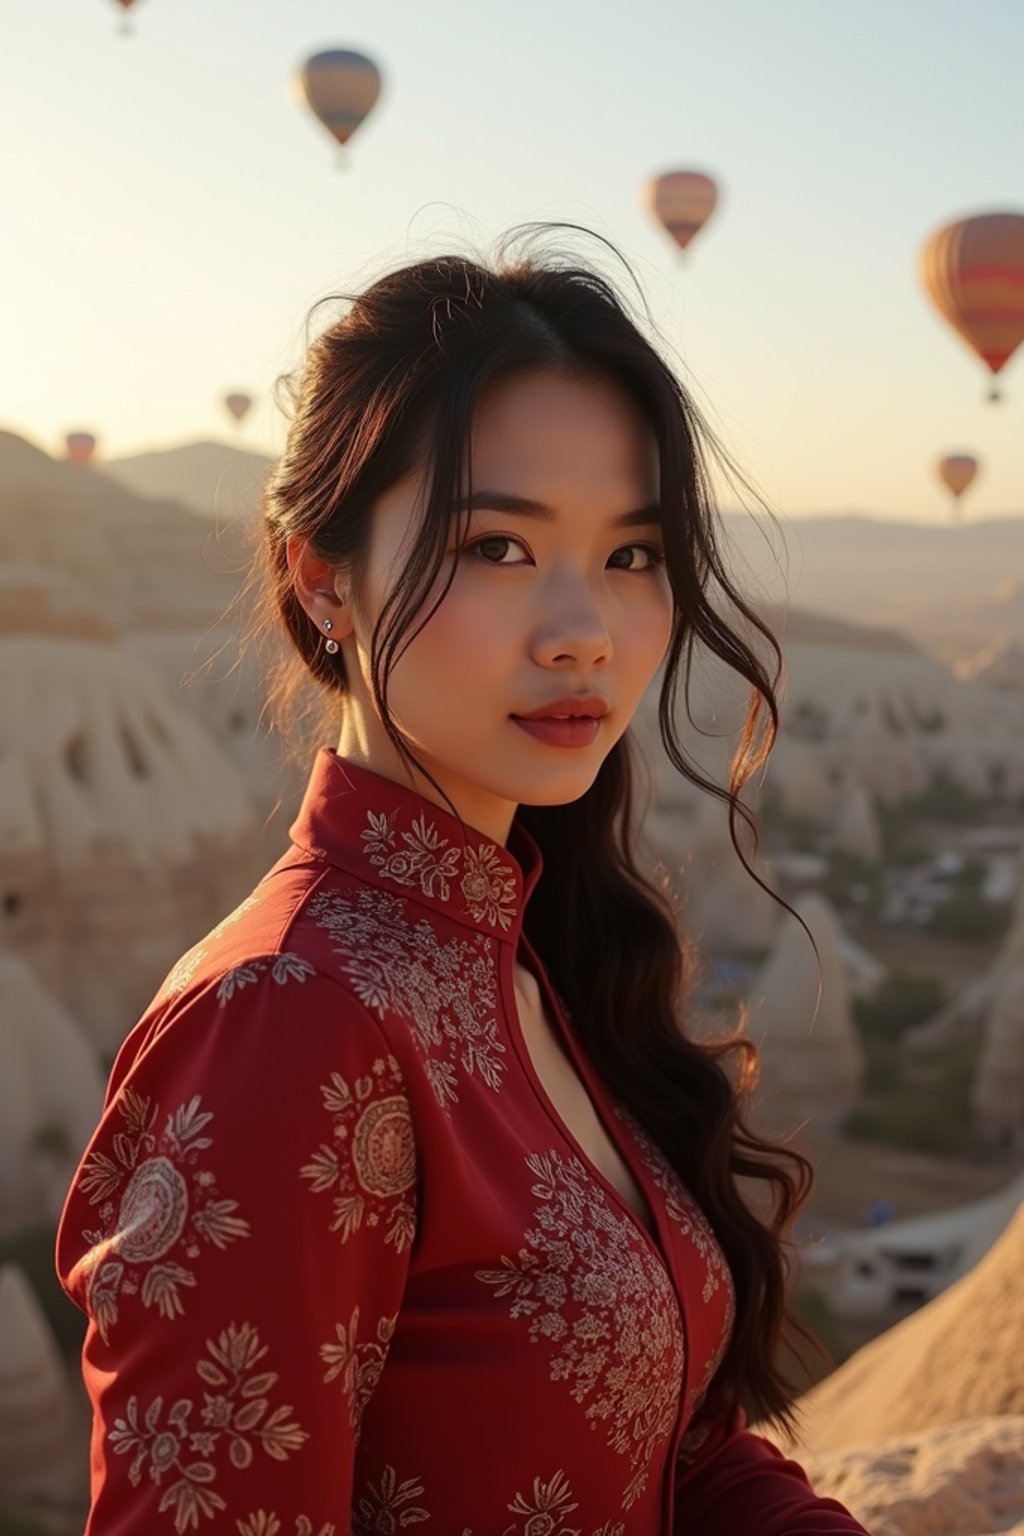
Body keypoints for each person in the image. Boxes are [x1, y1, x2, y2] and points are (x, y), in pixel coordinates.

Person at [55, 224, 872, 1534]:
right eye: (501, 547)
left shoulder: (533, 950)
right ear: (323, 581)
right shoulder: (287, 1023)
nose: (583, 634)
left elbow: (679, 1449)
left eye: (635, 555)